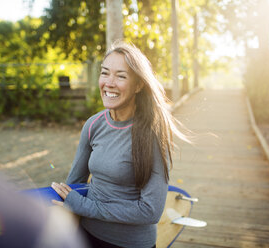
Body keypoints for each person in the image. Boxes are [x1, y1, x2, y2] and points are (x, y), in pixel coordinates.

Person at [51, 41, 188, 248]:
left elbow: (150, 211)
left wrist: (84, 207)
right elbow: (73, 185)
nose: (109, 83)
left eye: (121, 76)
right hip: (86, 236)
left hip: (131, 243)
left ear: (139, 85)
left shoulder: (152, 134)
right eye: (105, 73)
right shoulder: (93, 125)